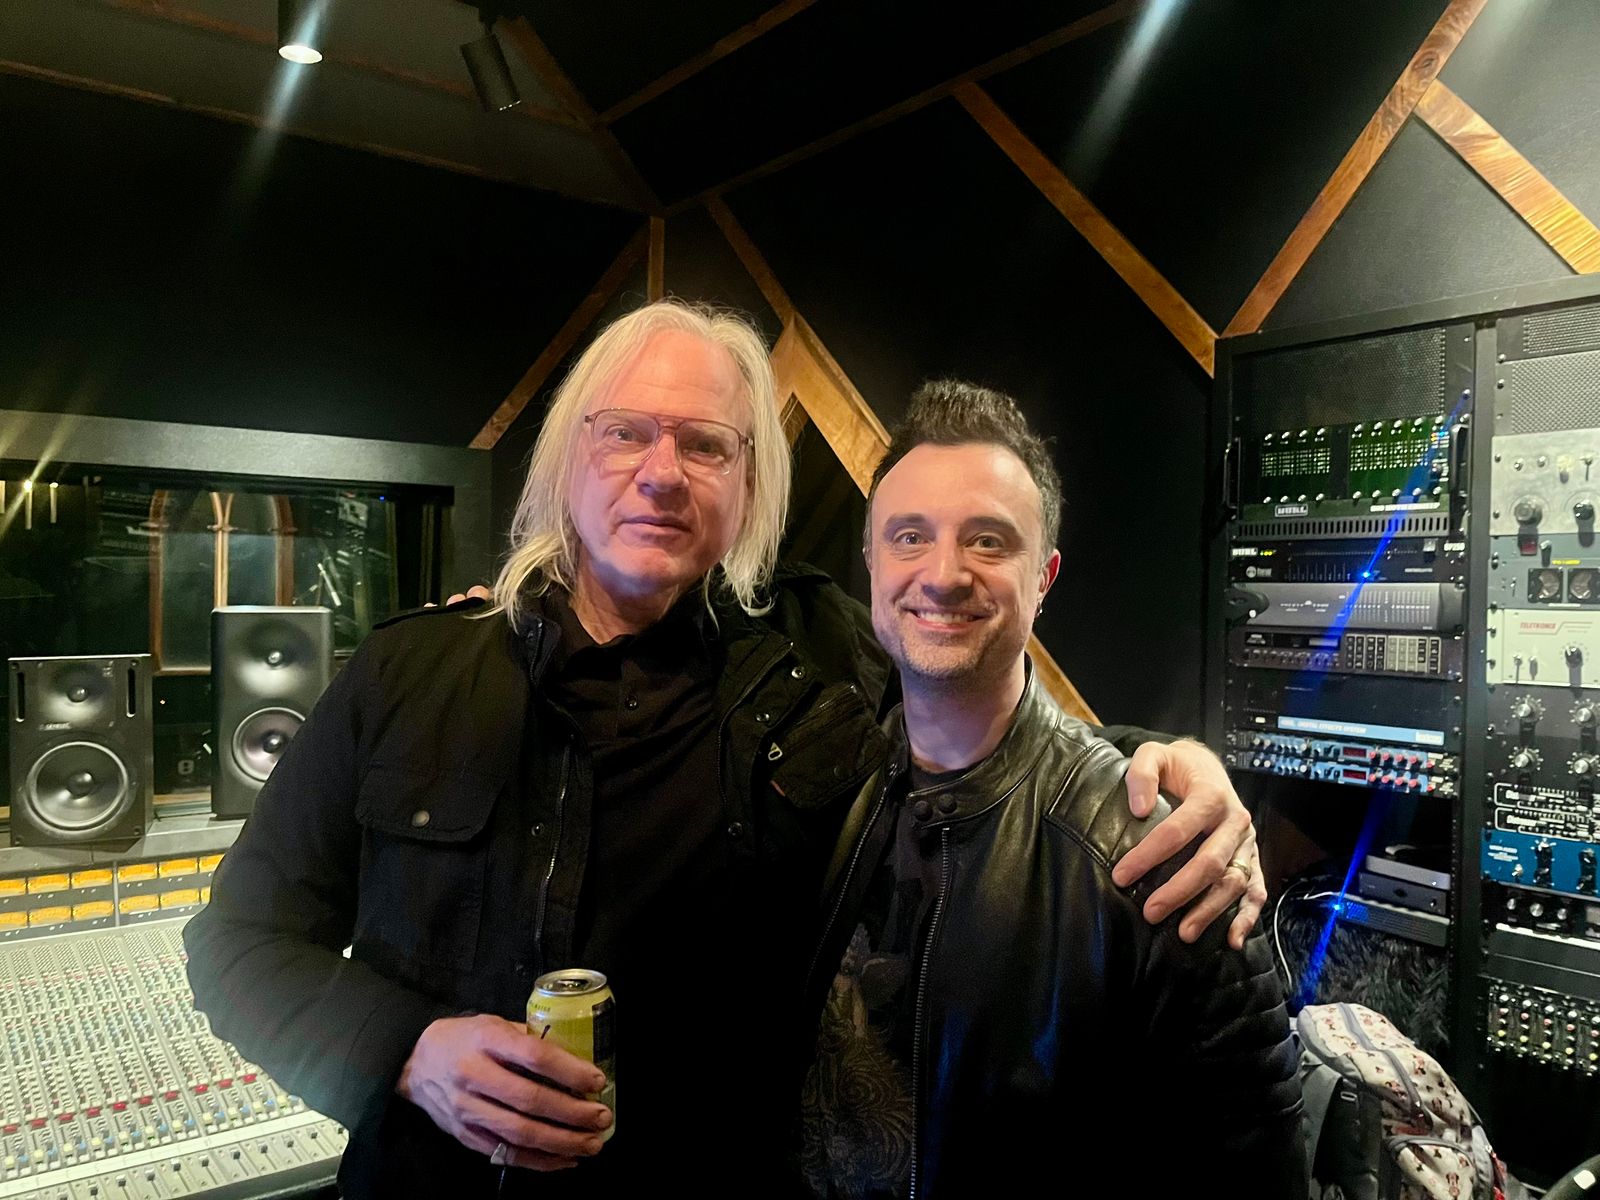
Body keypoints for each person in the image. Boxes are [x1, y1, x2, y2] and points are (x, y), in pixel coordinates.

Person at [185, 301, 1269, 1197]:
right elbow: (236, 945)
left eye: (706, 444)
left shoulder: (814, 657)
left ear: (747, 483)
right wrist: (406, 1051)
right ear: (569, 456)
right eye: (626, 432)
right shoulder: (405, 672)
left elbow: (968, 700)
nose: (662, 473)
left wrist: (1159, 769)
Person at [800, 381, 1306, 1198]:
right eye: (910, 536)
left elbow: (1255, 1176)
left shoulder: (1165, 857)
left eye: (988, 541)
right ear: (871, 563)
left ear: (1044, 577)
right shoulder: (823, 790)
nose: (943, 574)